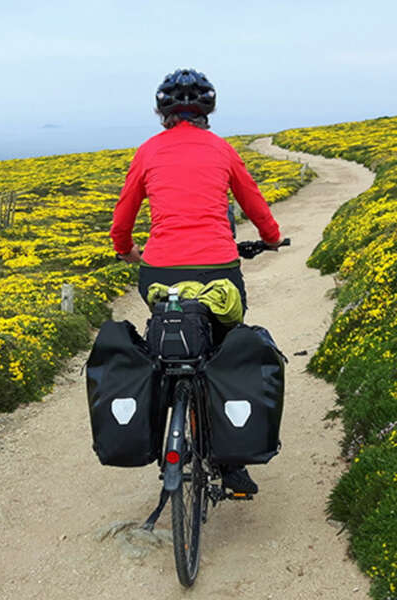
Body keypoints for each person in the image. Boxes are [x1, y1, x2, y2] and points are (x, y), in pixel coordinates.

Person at [110, 68, 283, 495]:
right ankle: (231, 467)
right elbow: (254, 204)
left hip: (160, 273)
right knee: (224, 355)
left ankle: (163, 422)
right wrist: (271, 239)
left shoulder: (147, 153)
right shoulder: (222, 151)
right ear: (209, 110)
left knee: (166, 345)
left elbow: (122, 219)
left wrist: (126, 250)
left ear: (160, 112)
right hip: (218, 272)